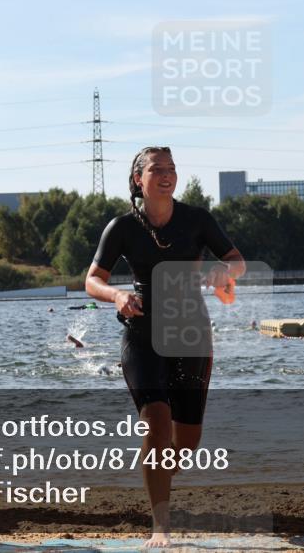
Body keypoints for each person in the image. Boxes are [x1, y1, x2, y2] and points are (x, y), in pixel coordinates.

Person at [85, 146, 245, 548]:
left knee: (186, 445)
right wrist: (117, 296)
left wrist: (222, 270)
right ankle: (161, 525)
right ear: (139, 179)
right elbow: (92, 280)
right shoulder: (121, 226)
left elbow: (237, 261)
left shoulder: (197, 219)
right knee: (156, 422)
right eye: (157, 169)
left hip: (191, 331)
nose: (167, 175)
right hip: (142, 331)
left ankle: (155, 475)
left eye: (171, 168)